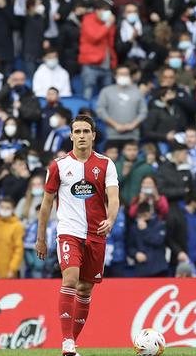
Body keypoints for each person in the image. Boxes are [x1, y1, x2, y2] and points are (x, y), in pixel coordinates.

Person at [36, 114, 120, 356]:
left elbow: (113, 197)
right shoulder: (59, 166)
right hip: (69, 232)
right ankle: (66, 343)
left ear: (94, 135)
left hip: (96, 234)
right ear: (71, 135)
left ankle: (72, 341)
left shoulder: (106, 164)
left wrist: (111, 219)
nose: (82, 136)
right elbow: (46, 205)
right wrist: (41, 239)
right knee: (70, 279)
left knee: (85, 290)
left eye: (86, 131)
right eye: (78, 132)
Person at [0, 197, 24, 278]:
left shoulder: (17, 226)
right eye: (2, 207)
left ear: (13, 209)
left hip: (8, 270)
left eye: (8, 208)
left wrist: (12, 269)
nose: (4, 210)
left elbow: (18, 250)